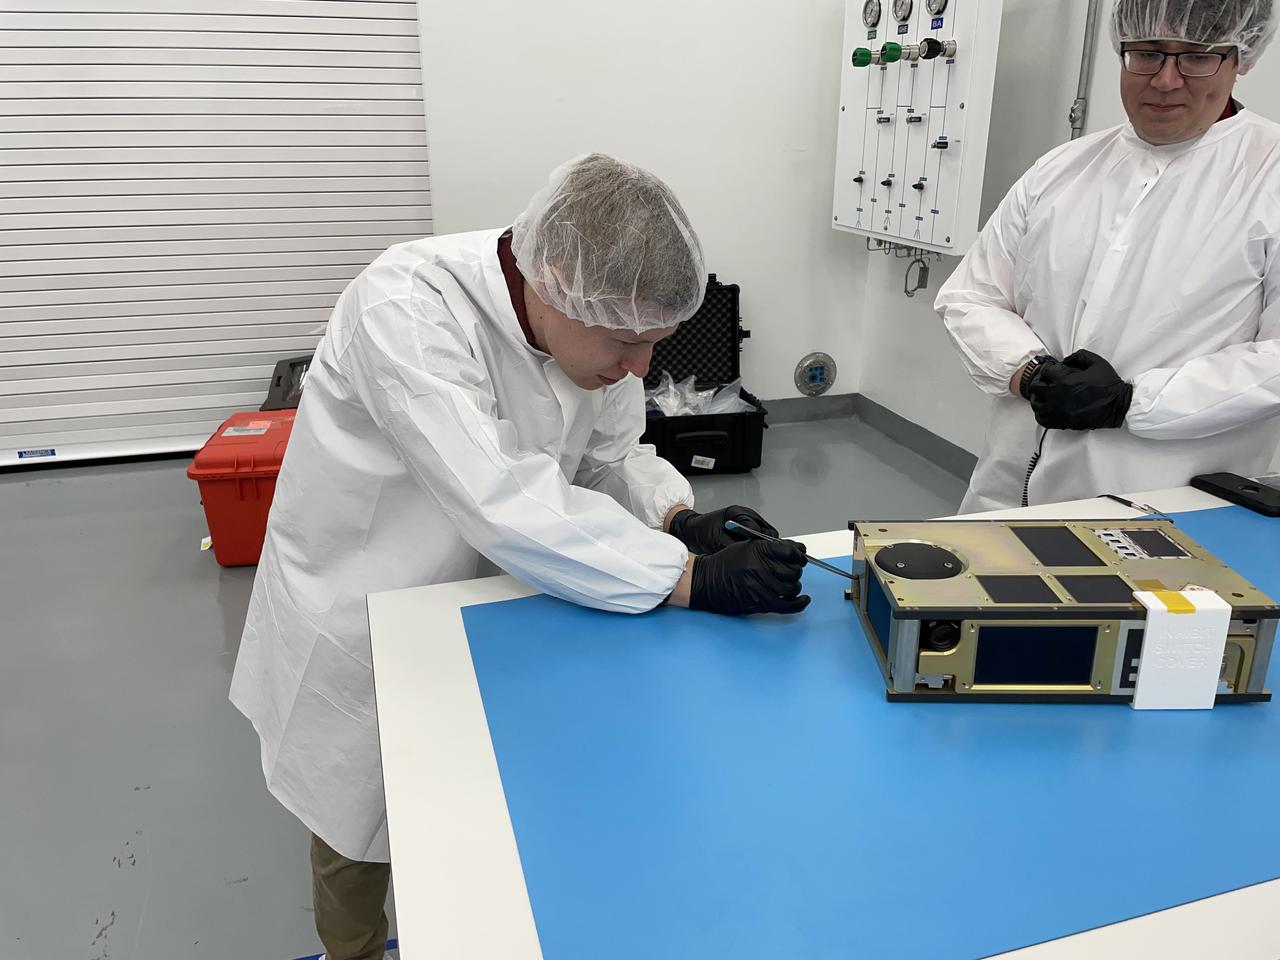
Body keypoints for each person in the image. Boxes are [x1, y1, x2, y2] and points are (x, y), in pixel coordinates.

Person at [229, 153, 809, 960]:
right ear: (557, 276)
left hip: (509, 597)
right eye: (628, 342)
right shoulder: (405, 308)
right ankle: (353, 953)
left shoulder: (596, 320)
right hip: (366, 606)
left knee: (496, 807)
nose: (641, 366)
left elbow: (612, 455)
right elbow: (496, 495)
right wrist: (687, 578)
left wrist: (680, 517)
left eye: (655, 343)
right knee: (356, 823)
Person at [936, 0, 1280, 512]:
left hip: (1173, 505)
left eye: (1196, 57)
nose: (1165, 80)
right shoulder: (1062, 168)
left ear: (1242, 57)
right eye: (1146, 54)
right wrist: (1028, 372)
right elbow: (972, 295)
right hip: (1010, 487)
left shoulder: (1268, 176)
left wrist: (1130, 402)